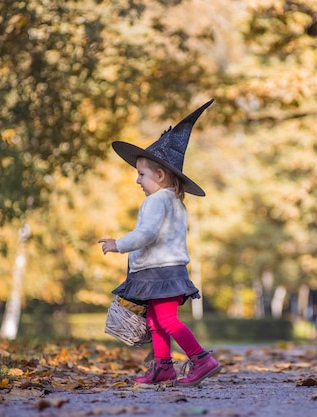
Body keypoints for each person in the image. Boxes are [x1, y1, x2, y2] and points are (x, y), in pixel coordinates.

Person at [98, 99, 221, 387]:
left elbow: (146, 234)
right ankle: (163, 367)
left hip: (161, 273)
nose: (137, 181)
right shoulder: (175, 202)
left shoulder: (156, 201)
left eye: (141, 174)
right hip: (165, 271)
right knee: (155, 322)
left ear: (161, 175)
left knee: (166, 321)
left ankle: (201, 359)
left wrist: (119, 244)